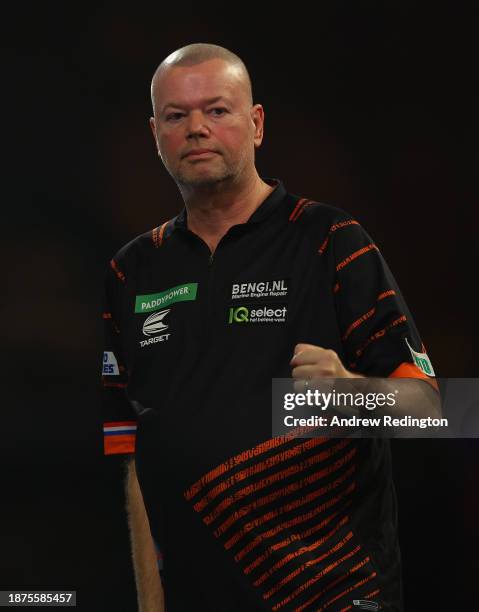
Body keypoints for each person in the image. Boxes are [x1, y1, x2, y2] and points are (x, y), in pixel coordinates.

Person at [101, 43, 440, 612]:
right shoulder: (130, 270)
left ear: (256, 124)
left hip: (334, 595)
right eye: (177, 116)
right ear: (154, 133)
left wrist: (354, 396)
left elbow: (428, 410)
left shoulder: (331, 240)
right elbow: (133, 458)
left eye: (217, 110)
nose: (197, 129)